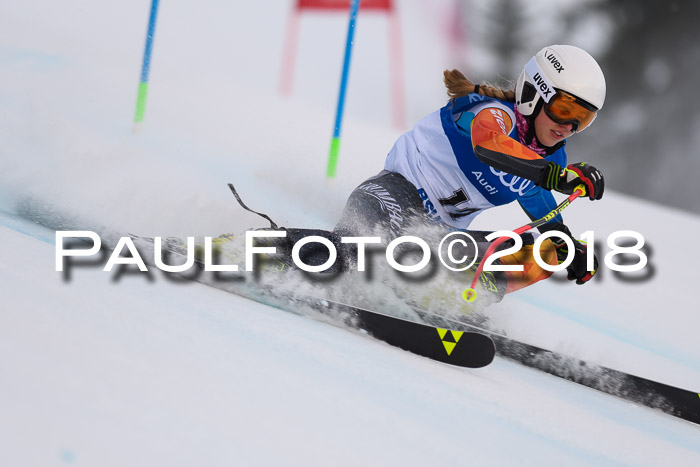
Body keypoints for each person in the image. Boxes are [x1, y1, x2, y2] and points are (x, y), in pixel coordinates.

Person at [330, 44, 606, 292]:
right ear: (535, 93)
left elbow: (536, 198)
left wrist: (566, 244)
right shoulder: (494, 113)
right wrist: (555, 176)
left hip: (438, 237)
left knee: (551, 250)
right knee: (362, 250)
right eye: (565, 110)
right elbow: (489, 145)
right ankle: (288, 253)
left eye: (583, 119)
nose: (569, 127)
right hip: (390, 197)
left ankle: (462, 296)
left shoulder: (551, 159)